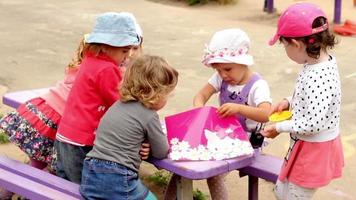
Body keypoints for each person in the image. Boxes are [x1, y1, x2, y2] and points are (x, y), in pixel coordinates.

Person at [165, 28, 272, 200]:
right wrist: (199, 110)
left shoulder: (258, 86)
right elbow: (200, 95)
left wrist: (239, 109)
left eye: (227, 69)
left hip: (246, 142)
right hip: (222, 136)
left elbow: (267, 114)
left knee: (214, 173)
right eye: (218, 69)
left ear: (243, 62)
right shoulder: (220, 77)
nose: (223, 74)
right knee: (183, 161)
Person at [262, 2, 344, 200]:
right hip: (307, 145)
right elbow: (315, 98)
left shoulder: (318, 75)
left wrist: (280, 127)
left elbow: (314, 123)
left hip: (313, 149)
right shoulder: (321, 63)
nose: (286, 52)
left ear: (296, 44)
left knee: (294, 195)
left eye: (285, 47)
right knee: (282, 190)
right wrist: (289, 102)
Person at [55, 12, 143, 184]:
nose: (128, 55)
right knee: (84, 187)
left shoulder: (90, 60)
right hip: (82, 141)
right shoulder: (107, 69)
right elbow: (120, 102)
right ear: (104, 46)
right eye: (124, 50)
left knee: (66, 185)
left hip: (67, 135)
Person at [80, 55, 179, 200]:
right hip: (117, 176)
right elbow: (162, 151)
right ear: (156, 94)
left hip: (90, 171)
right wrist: (152, 148)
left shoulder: (117, 105)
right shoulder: (149, 115)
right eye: (167, 95)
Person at [0, 35, 85, 199]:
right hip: (54, 123)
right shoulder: (95, 74)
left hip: (40, 112)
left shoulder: (76, 68)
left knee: (36, 161)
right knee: (52, 168)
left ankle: (9, 190)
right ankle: (24, 191)